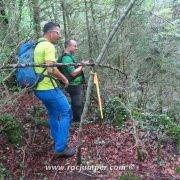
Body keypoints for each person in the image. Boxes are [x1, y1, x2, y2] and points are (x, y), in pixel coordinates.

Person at [34, 22, 75, 157]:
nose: (59, 35)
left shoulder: (38, 45)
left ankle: (57, 141)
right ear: (51, 33)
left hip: (38, 88)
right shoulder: (48, 46)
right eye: (58, 32)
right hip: (48, 87)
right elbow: (51, 69)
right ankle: (61, 148)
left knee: (53, 114)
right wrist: (64, 79)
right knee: (66, 112)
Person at [58, 40, 88, 122]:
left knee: (76, 103)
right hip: (73, 85)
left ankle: (76, 120)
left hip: (74, 84)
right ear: (68, 46)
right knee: (77, 104)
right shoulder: (66, 58)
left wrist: (80, 65)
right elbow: (73, 73)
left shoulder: (69, 57)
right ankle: (77, 122)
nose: (76, 48)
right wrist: (82, 66)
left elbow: (73, 69)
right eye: (75, 46)